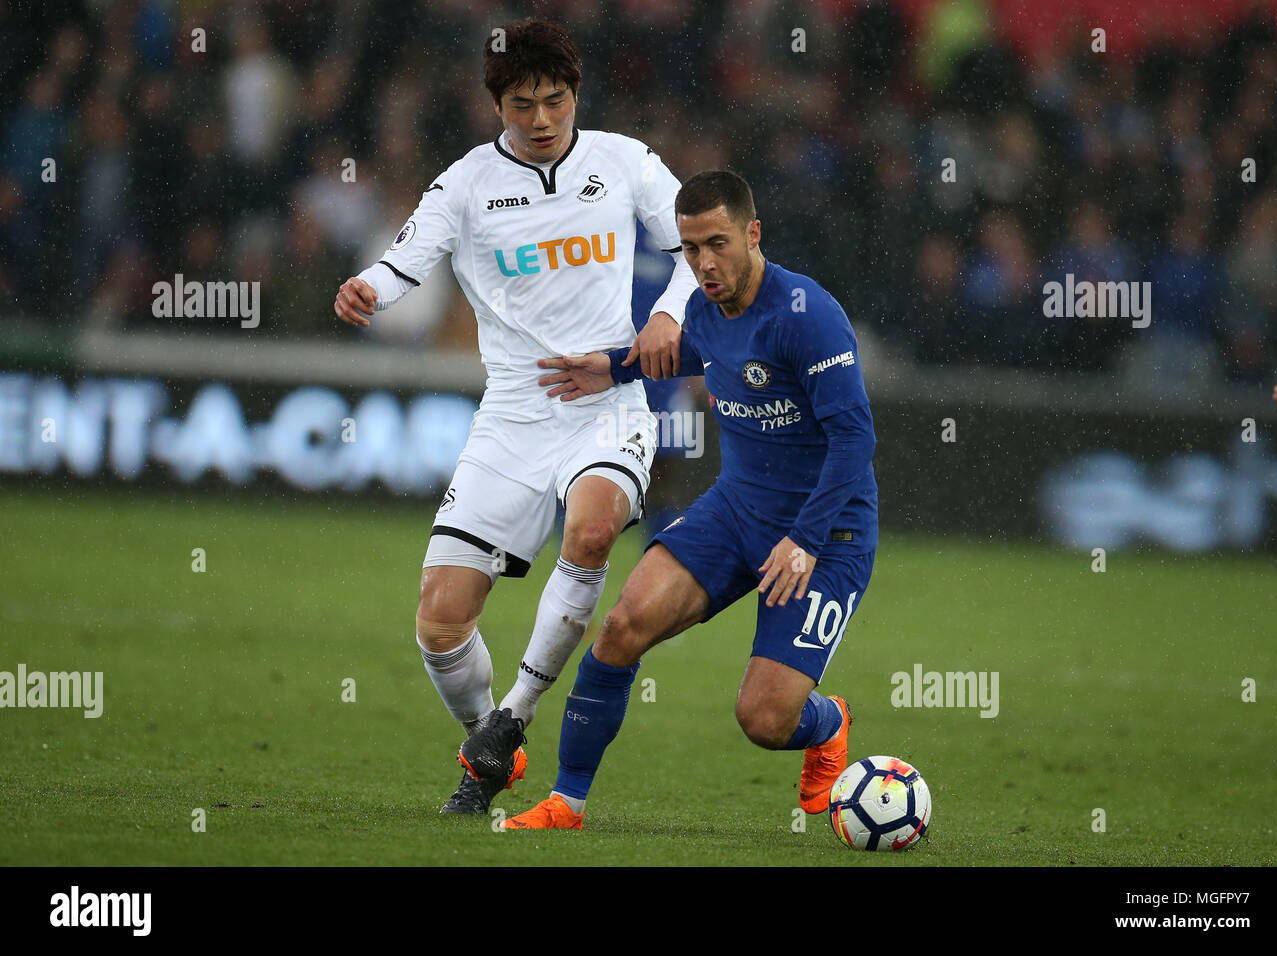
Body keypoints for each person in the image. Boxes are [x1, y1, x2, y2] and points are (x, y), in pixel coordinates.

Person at [332, 19, 698, 814]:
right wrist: (369, 287)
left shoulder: (624, 161)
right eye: (522, 103)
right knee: (439, 622)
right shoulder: (464, 184)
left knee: (594, 529)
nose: (541, 119)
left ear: (577, 94)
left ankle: (516, 712)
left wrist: (668, 316)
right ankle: (488, 747)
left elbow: (697, 247)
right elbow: (405, 261)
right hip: (512, 417)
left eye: (556, 100)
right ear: (496, 102)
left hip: (608, 405)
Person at [499, 170, 878, 829]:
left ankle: (829, 722)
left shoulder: (807, 315)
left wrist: (807, 540)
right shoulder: (701, 306)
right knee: (620, 628)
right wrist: (610, 368)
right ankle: (567, 802)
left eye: (719, 243)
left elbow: (855, 439)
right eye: (692, 247)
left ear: (754, 235)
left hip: (827, 535)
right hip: (735, 513)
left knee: (763, 719)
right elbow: (692, 352)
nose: (704, 262)